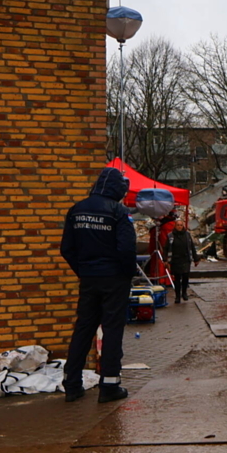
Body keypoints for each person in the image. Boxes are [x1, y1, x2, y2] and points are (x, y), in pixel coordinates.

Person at [60, 166, 137, 403]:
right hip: (114, 279)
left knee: (84, 328)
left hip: (89, 278)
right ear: (117, 189)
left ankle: (72, 384)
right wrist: (126, 274)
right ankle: (110, 385)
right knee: (113, 330)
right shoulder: (118, 212)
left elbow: (67, 249)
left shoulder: (76, 210)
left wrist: (83, 271)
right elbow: (126, 249)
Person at [165, 219, 199, 303]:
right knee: (177, 279)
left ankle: (184, 293)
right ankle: (177, 296)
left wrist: (196, 259)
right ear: (175, 226)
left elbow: (192, 247)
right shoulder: (170, 236)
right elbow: (166, 248)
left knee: (185, 277)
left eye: (181, 225)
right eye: (178, 225)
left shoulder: (187, 235)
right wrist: (165, 259)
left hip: (186, 259)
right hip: (175, 260)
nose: (179, 227)